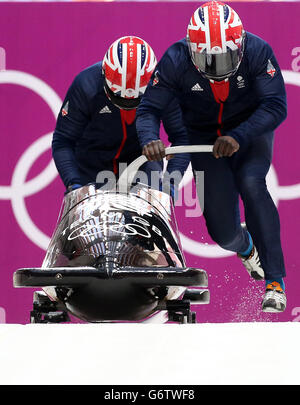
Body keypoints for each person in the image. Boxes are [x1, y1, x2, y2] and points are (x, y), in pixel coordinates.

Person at [136, 1, 287, 313]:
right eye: (207, 58)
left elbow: (275, 105)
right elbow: (149, 108)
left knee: (251, 182)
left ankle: (275, 282)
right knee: (221, 231)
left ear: (240, 47)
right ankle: (245, 247)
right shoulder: (175, 59)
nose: (216, 67)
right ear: (192, 49)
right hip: (206, 140)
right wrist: (150, 139)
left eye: (225, 58)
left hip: (249, 132)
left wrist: (239, 136)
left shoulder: (259, 51)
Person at [52, 35, 190, 195]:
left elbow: (182, 136)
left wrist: (169, 183)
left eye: (136, 100)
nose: (127, 106)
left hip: (142, 162)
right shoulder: (86, 85)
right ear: (105, 77)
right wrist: (74, 185)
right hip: (91, 167)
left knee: (147, 206)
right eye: (119, 97)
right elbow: (63, 140)